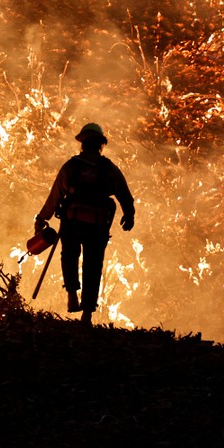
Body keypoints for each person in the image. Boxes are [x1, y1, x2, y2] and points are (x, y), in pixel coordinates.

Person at [35, 123, 135, 325]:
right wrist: (129, 215)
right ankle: (87, 314)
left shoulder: (71, 167)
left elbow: (55, 195)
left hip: (72, 222)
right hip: (97, 226)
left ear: (83, 144)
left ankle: (72, 294)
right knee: (93, 266)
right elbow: (125, 195)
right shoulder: (110, 169)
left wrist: (42, 218)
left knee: (69, 257)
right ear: (101, 145)